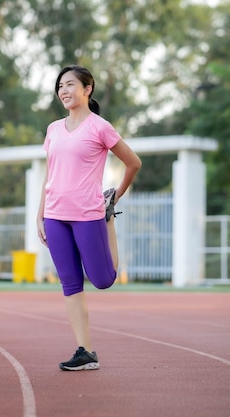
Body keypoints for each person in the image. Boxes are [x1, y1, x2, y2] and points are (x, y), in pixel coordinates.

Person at [37, 65, 142, 371]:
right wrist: (40, 215)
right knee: (70, 284)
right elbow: (49, 174)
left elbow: (133, 163)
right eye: (60, 86)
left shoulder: (100, 127)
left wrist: (116, 196)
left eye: (70, 85)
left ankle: (110, 221)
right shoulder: (53, 129)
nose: (64, 91)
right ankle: (85, 351)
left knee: (103, 280)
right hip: (55, 216)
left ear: (87, 89)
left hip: (87, 215)